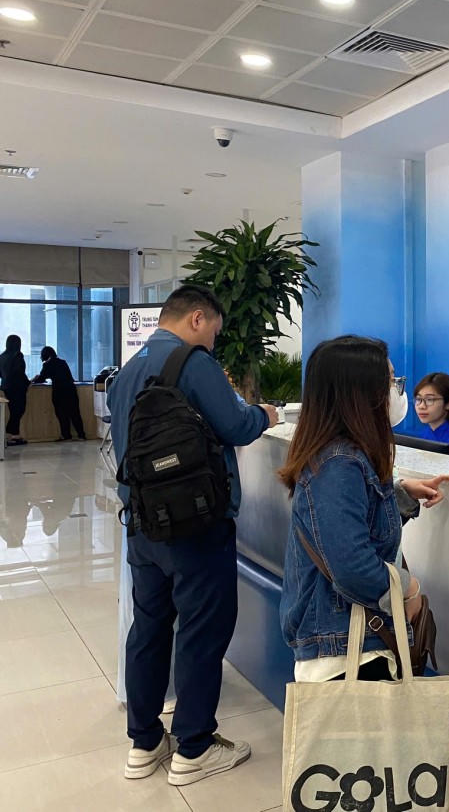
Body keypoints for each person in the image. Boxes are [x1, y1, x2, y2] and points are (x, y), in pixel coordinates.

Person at [107, 284, 278, 784]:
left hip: (142, 525)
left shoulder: (127, 371)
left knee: (149, 629)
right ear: (197, 318)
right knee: (202, 632)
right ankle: (194, 748)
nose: (213, 343)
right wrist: (264, 414)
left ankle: (144, 743)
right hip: (196, 525)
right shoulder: (192, 362)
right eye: (214, 333)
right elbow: (237, 425)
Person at [279, 336, 449, 683]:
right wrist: (408, 589)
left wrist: (398, 495)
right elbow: (351, 565)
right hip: (344, 654)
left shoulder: (346, 457)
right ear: (360, 393)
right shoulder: (338, 465)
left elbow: (353, 525)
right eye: (389, 381)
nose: (397, 391)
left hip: (352, 646)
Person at [31, 345, 85, 441]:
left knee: (62, 414)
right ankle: (81, 435)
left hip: (59, 392)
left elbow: (41, 378)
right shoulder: (62, 362)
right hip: (71, 390)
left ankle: (66, 435)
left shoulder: (48, 364)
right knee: (75, 413)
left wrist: (34, 379)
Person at [0, 334, 29, 445]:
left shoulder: (2, 356)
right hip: (18, 387)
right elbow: (19, 372)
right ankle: (9, 435)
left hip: (7, 387)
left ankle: (15, 435)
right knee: (18, 411)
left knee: (14, 411)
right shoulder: (17, 355)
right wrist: (28, 382)